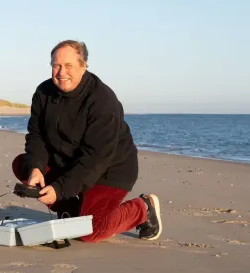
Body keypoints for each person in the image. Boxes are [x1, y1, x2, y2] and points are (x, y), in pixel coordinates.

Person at [12, 39, 163, 243]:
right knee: (23, 165)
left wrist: (60, 189)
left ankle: (143, 208)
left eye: (68, 66)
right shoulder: (43, 92)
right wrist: (36, 167)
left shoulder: (102, 100)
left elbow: (95, 159)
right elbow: (36, 135)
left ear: (83, 66)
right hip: (67, 163)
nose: (61, 72)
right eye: (56, 65)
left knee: (89, 232)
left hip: (109, 171)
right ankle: (70, 211)